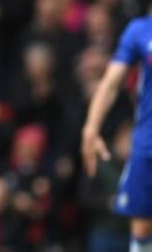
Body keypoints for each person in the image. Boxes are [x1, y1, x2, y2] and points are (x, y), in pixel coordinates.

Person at [81, 14, 152, 252]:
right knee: (142, 227)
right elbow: (110, 83)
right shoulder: (140, 30)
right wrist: (91, 127)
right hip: (147, 143)